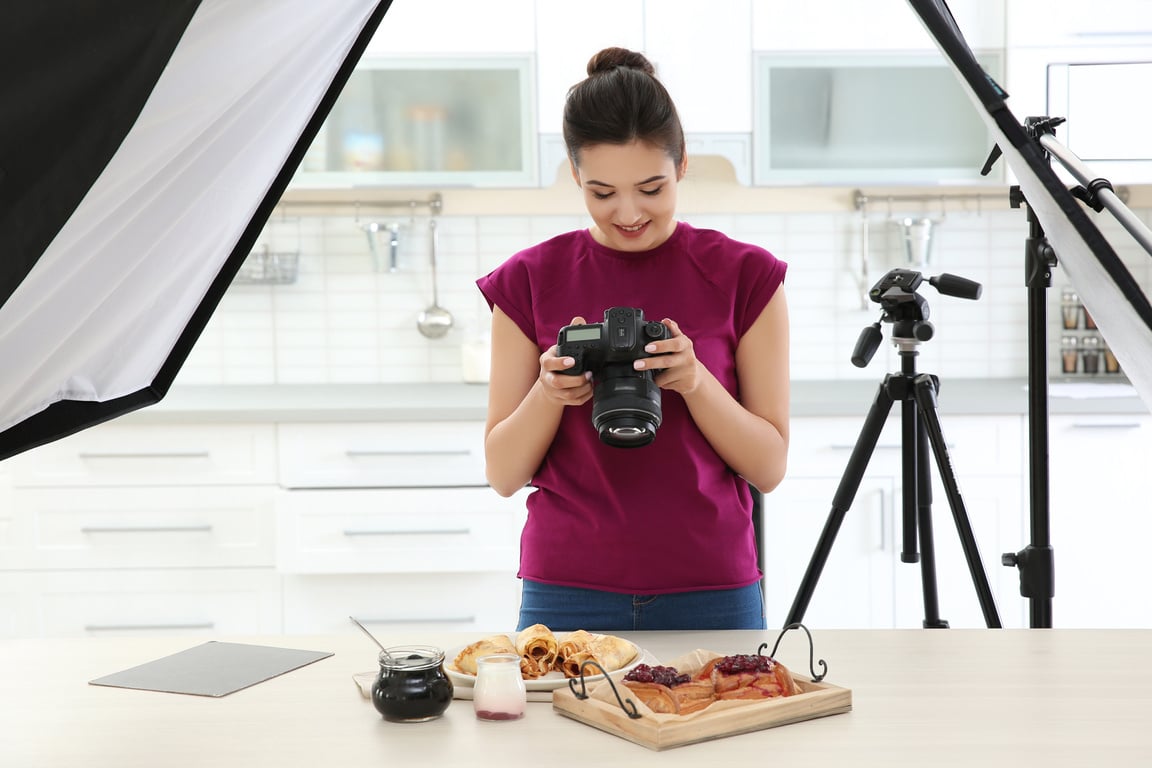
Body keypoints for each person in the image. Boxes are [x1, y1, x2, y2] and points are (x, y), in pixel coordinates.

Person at [475, 47, 789, 632]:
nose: (627, 212)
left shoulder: (748, 276)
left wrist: (695, 383)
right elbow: (503, 474)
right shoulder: (526, 281)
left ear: (682, 164)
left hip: (712, 584)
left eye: (651, 187)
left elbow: (768, 466)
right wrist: (548, 393)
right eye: (600, 192)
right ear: (574, 175)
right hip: (565, 588)